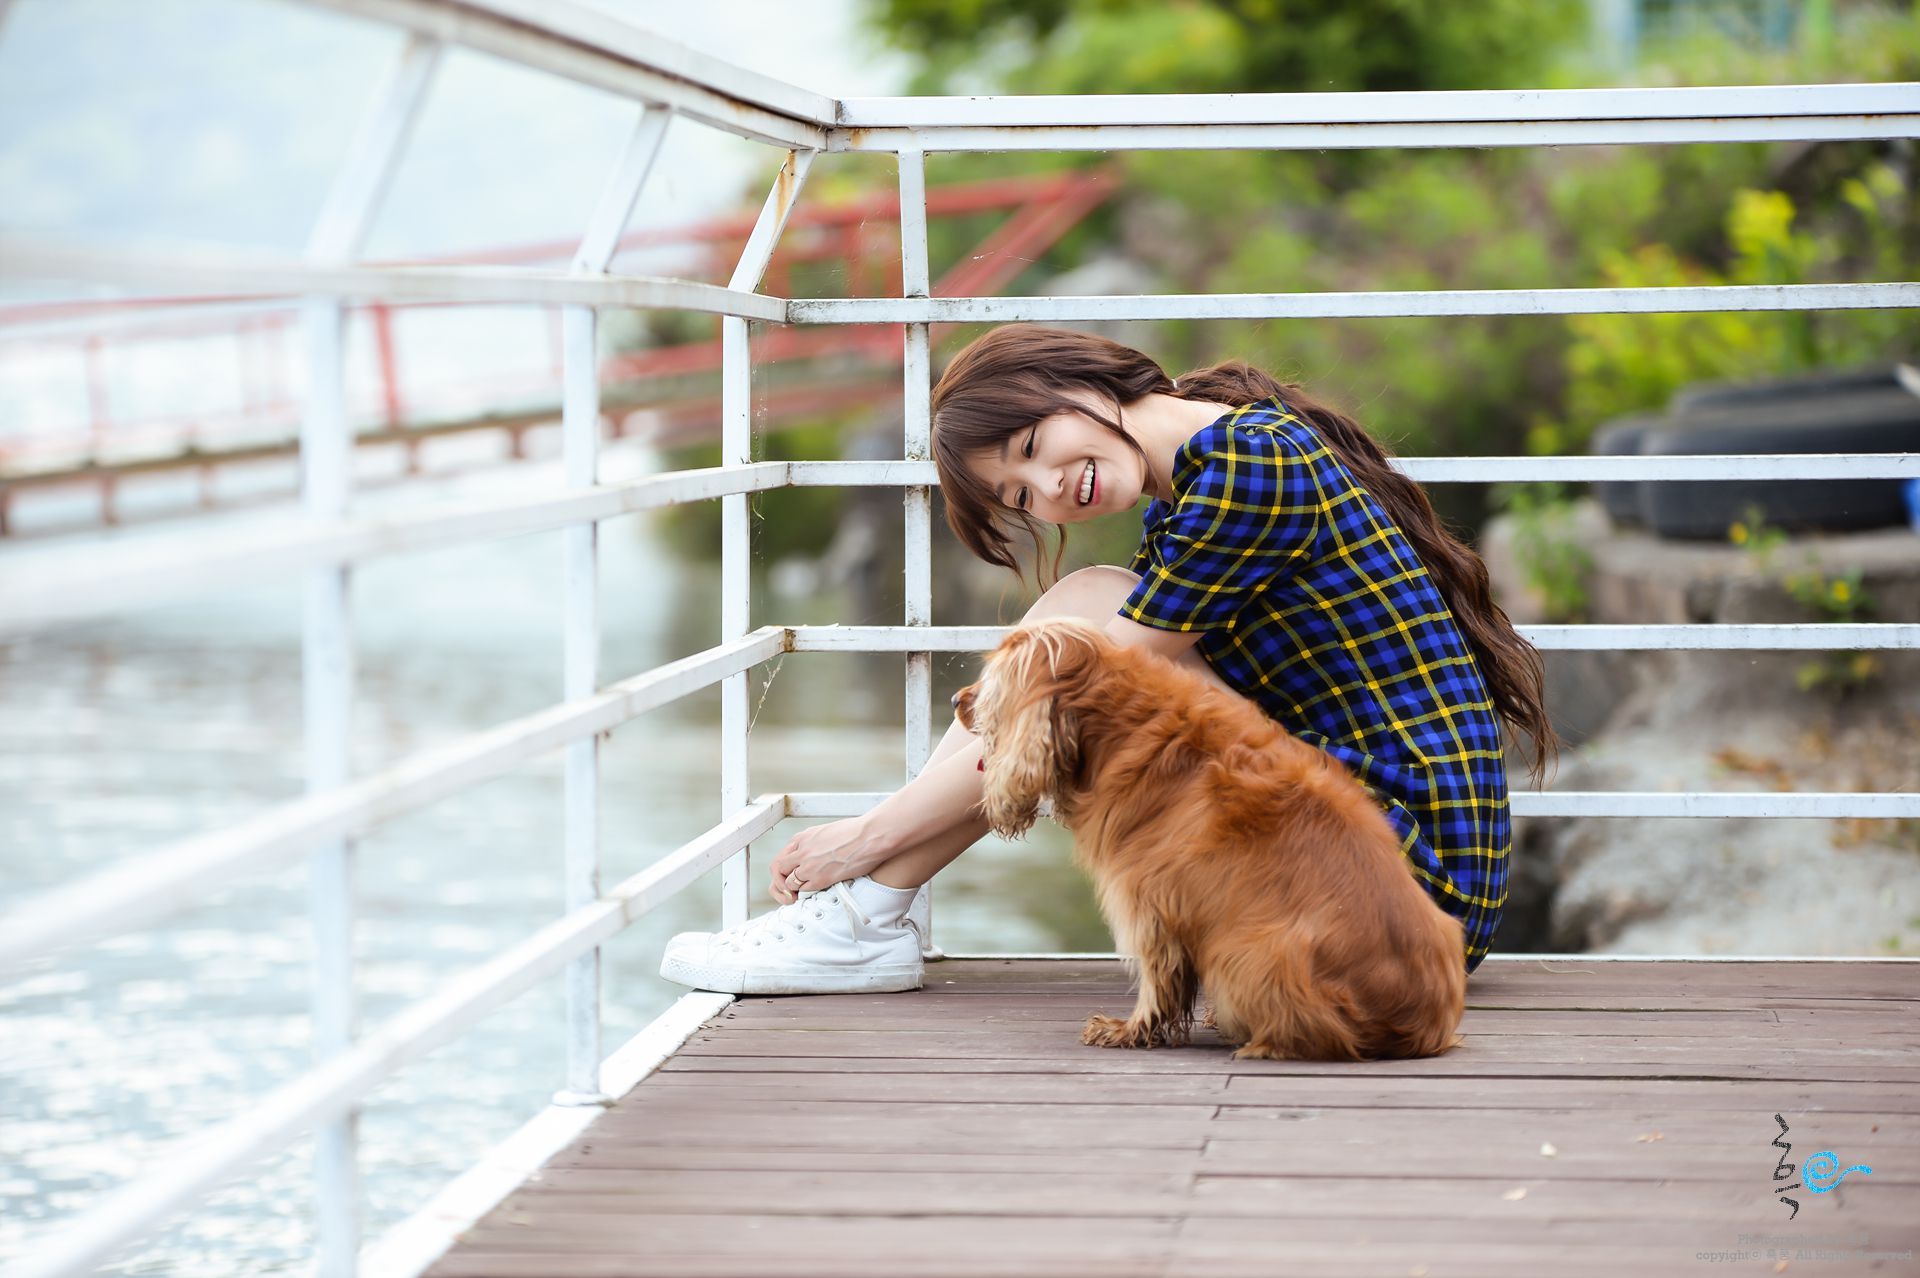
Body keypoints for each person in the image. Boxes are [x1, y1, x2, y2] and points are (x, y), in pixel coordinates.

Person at [659, 324, 1558, 996]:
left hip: (1399, 893)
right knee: (1082, 612)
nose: (1051, 489)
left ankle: (867, 906)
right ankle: (869, 914)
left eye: (1030, 449)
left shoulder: (1253, 466)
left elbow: (1071, 694)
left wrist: (870, 833)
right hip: (1362, 867)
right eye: (1021, 497)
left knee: (1080, 638)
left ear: (1078, 382)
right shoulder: (1211, 477)